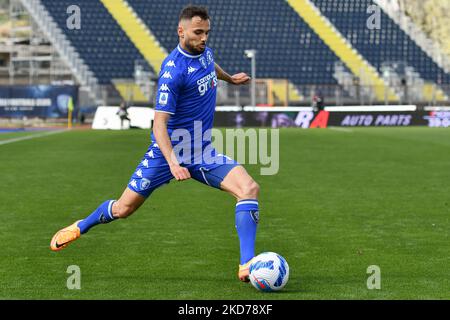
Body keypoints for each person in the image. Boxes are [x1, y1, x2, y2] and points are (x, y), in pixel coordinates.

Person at [50, 5, 260, 283]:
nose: (204, 38)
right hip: (165, 155)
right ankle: (82, 225)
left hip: (202, 151)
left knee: (249, 188)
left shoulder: (205, 52)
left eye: (207, 32)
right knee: (123, 209)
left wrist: (230, 78)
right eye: (198, 33)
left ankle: (246, 265)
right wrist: (173, 163)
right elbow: (158, 125)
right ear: (181, 31)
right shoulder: (173, 72)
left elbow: (210, 66)